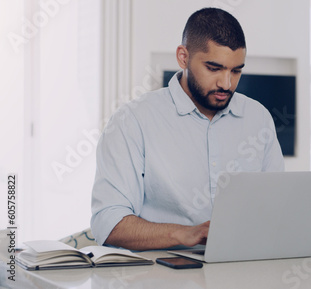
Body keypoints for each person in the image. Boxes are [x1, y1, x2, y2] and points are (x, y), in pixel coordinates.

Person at [90, 7, 285, 250]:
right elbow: (107, 223)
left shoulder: (258, 118)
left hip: (242, 268)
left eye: (236, 71)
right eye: (214, 68)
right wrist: (185, 234)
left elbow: (277, 209)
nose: (227, 83)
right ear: (183, 57)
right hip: (158, 275)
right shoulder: (132, 121)